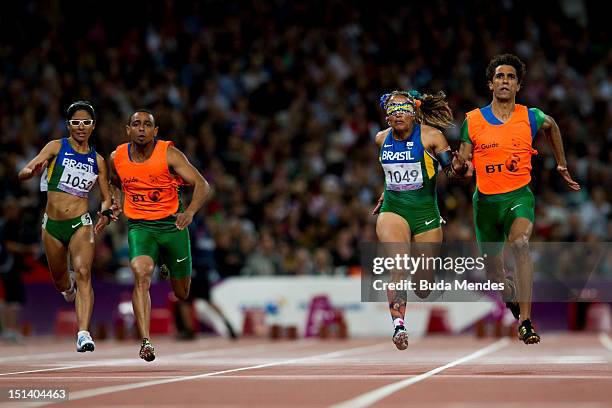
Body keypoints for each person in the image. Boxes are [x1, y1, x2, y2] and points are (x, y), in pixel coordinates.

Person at [453, 53, 580, 344]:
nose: (505, 81)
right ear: (490, 84)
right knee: (494, 273)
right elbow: (462, 161)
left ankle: (525, 321)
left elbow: (552, 125)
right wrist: (460, 166)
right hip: (485, 204)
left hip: (518, 198)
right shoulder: (472, 121)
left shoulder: (531, 116)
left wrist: (561, 163)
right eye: (500, 76)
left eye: (511, 77)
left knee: (521, 244)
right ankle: (508, 290)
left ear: (518, 85)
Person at [108, 109, 211, 362]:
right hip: (140, 227)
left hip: (172, 226)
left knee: (182, 292)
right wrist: (115, 201)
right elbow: (113, 181)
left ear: (155, 132)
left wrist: (189, 212)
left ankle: (166, 260)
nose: (141, 128)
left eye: (147, 125)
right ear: (128, 130)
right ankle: (145, 341)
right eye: (136, 124)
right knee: (141, 274)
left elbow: (202, 184)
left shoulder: (169, 154)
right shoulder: (117, 156)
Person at [373, 90, 471, 350]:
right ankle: (399, 326)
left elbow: (451, 172)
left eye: (403, 109)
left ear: (414, 111)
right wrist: (386, 193)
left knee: (423, 286)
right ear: (386, 116)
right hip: (393, 212)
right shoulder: (381, 139)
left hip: (426, 216)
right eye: (392, 111)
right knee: (399, 266)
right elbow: (391, 174)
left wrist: (460, 168)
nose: (398, 115)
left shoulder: (431, 136)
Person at [17, 101, 114, 352]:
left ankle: (83, 333)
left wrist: (105, 211)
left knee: (84, 272)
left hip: (81, 223)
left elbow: (105, 197)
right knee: (61, 282)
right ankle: (67, 287)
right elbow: (27, 169)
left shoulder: (98, 161)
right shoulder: (56, 147)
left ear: (93, 126)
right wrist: (30, 171)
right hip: (52, 226)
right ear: (68, 125)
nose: (81, 127)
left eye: (86, 122)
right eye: (75, 122)